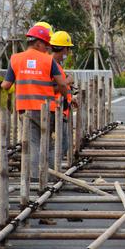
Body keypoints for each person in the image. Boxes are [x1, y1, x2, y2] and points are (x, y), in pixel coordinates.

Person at [0, 25, 69, 181]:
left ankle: (35, 178)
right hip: (47, 110)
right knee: (48, 143)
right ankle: (50, 177)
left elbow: (5, 85)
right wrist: (65, 99)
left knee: (33, 143)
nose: (47, 48)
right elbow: (63, 84)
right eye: (46, 45)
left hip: (25, 110)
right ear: (38, 43)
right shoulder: (48, 60)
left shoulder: (15, 59)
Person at [49, 31, 78, 159]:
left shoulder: (57, 64)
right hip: (55, 109)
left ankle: (51, 169)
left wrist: (70, 99)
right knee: (62, 144)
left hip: (60, 108)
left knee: (62, 143)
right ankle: (50, 170)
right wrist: (68, 81)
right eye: (68, 49)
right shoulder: (50, 64)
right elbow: (52, 88)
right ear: (64, 49)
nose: (68, 53)